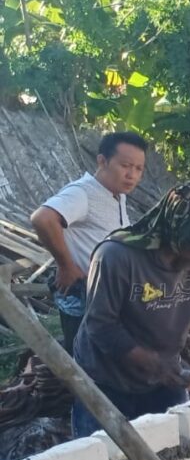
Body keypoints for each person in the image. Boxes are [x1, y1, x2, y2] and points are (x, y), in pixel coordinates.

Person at [70, 181, 190, 437]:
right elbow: (101, 325)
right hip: (105, 380)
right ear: (175, 226)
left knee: (174, 449)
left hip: (165, 376)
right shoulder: (117, 256)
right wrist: (154, 364)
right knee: (103, 457)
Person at [30, 132, 148, 352]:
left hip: (108, 300)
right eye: (125, 165)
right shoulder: (82, 193)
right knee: (85, 359)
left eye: (138, 168)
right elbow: (42, 219)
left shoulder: (117, 196)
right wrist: (66, 266)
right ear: (102, 161)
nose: (131, 174)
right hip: (85, 297)